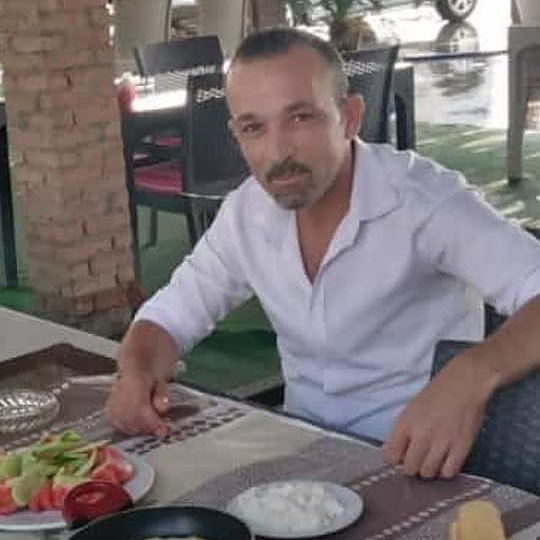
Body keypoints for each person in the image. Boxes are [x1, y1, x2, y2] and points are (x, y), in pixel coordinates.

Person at [107, 27, 540, 479]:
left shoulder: (423, 202)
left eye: (300, 118)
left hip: (419, 465)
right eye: (254, 128)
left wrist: (473, 372)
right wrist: (137, 371)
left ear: (349, 118)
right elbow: (170, 316)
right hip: (303, 461)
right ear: (236, 135)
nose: (278, 151)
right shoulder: (247, 212)